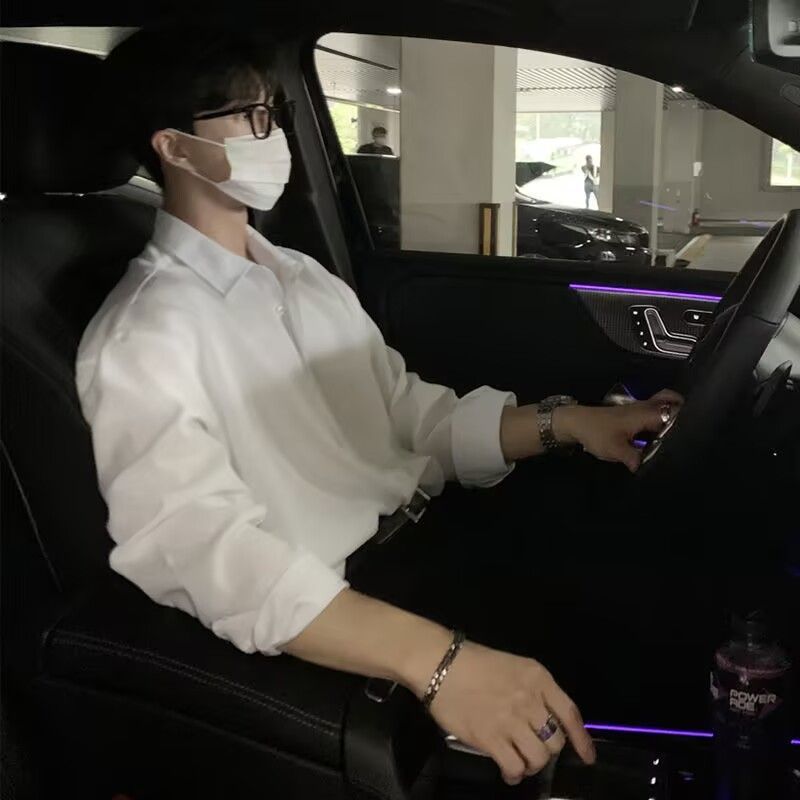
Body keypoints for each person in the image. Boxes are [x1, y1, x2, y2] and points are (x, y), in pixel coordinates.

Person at [78, 26, 680, 786]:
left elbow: (411, 420)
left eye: (273, 114)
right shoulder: (144, 334)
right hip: (344, 612)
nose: (273, 136)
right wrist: (437, 661)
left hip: (427, 546)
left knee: (638, 589)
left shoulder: (298, 276)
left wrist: (573, 424)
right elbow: (202, 550)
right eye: (250, 117)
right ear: (174, 147)